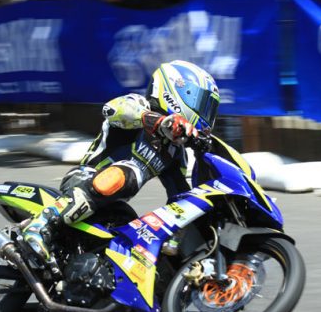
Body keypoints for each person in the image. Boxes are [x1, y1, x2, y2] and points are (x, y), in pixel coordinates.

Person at [22, 60, 220, 263]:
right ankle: (41, 224)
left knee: (139, 236)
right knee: (130, 172)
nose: (207, 114)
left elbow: (179, 198)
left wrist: (180, 237)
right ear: (179, 92)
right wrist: (159, 122)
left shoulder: (175, 152)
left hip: (115, 208)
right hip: (84, 180)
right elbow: (111, 109)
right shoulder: (138, 104)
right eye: (203, 104)